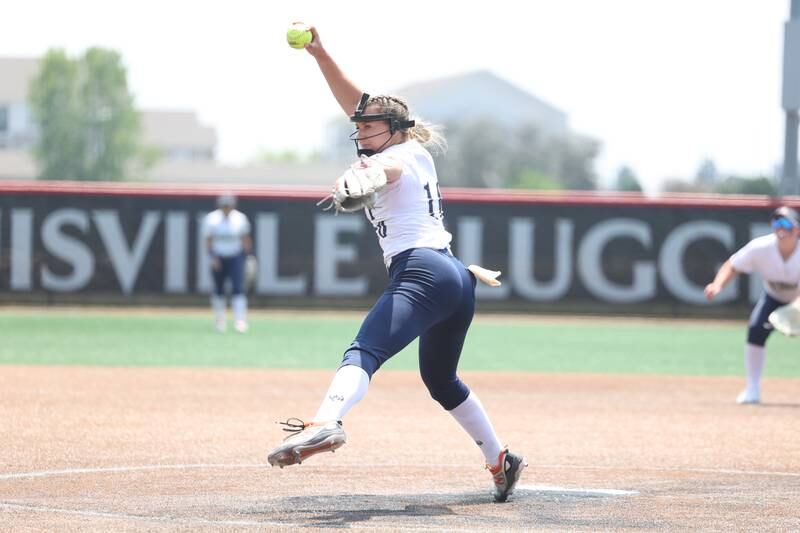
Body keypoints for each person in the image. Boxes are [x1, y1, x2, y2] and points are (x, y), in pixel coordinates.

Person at [267, 25, 526, 503]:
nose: (360, 130)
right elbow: (358, 107)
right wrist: (320, 54)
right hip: (455, 277)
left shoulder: (398, 157)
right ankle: (500, 460)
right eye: (359, 126)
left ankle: (326, 421)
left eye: (368, 127)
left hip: (423, 272)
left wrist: (361, 179)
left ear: (394, 129)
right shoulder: (404, 144)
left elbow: (386, 171)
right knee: (441, 381)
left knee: (363, 352)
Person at [704, 206, 800, 404]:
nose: (780, 228)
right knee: (756, 330)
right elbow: (733, 264)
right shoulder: (761, 247)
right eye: (776, 223)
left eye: (785, 223)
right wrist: (717, 284)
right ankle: (752, 389)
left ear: (797, 229)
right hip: (774, 297)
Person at [201, 193, 253, 333]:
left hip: (235, 257)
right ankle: (219, 321)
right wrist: (212, 257)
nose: (226, 208)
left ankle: (240, 321)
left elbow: (245, 239)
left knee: (238, 289)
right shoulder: (212, 219)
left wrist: (247, 257)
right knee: (218, 290)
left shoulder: (240, 218)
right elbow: (208, 240)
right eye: (224, 206)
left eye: (229, 205)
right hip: (218, 257)